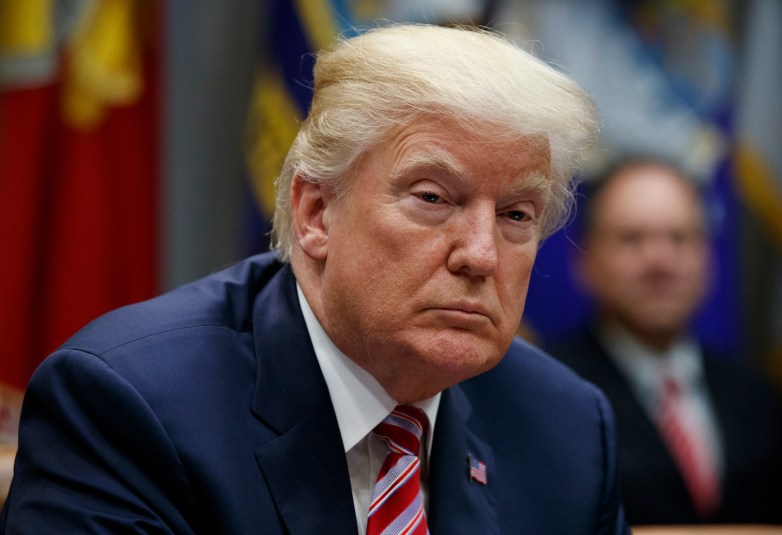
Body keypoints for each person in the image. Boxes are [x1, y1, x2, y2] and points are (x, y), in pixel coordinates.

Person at [0, 24, 629, 534]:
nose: (481, 254)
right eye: (434, 198)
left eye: (516, 214)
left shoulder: (566, 429)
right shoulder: (130, 408)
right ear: (316, 213)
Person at [546, 157, 782, 526]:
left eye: (680, 238)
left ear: (709, 258)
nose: (660, 260)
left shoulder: (758, 394)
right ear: (585, 262)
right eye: (632, 239)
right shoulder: (551, 391)